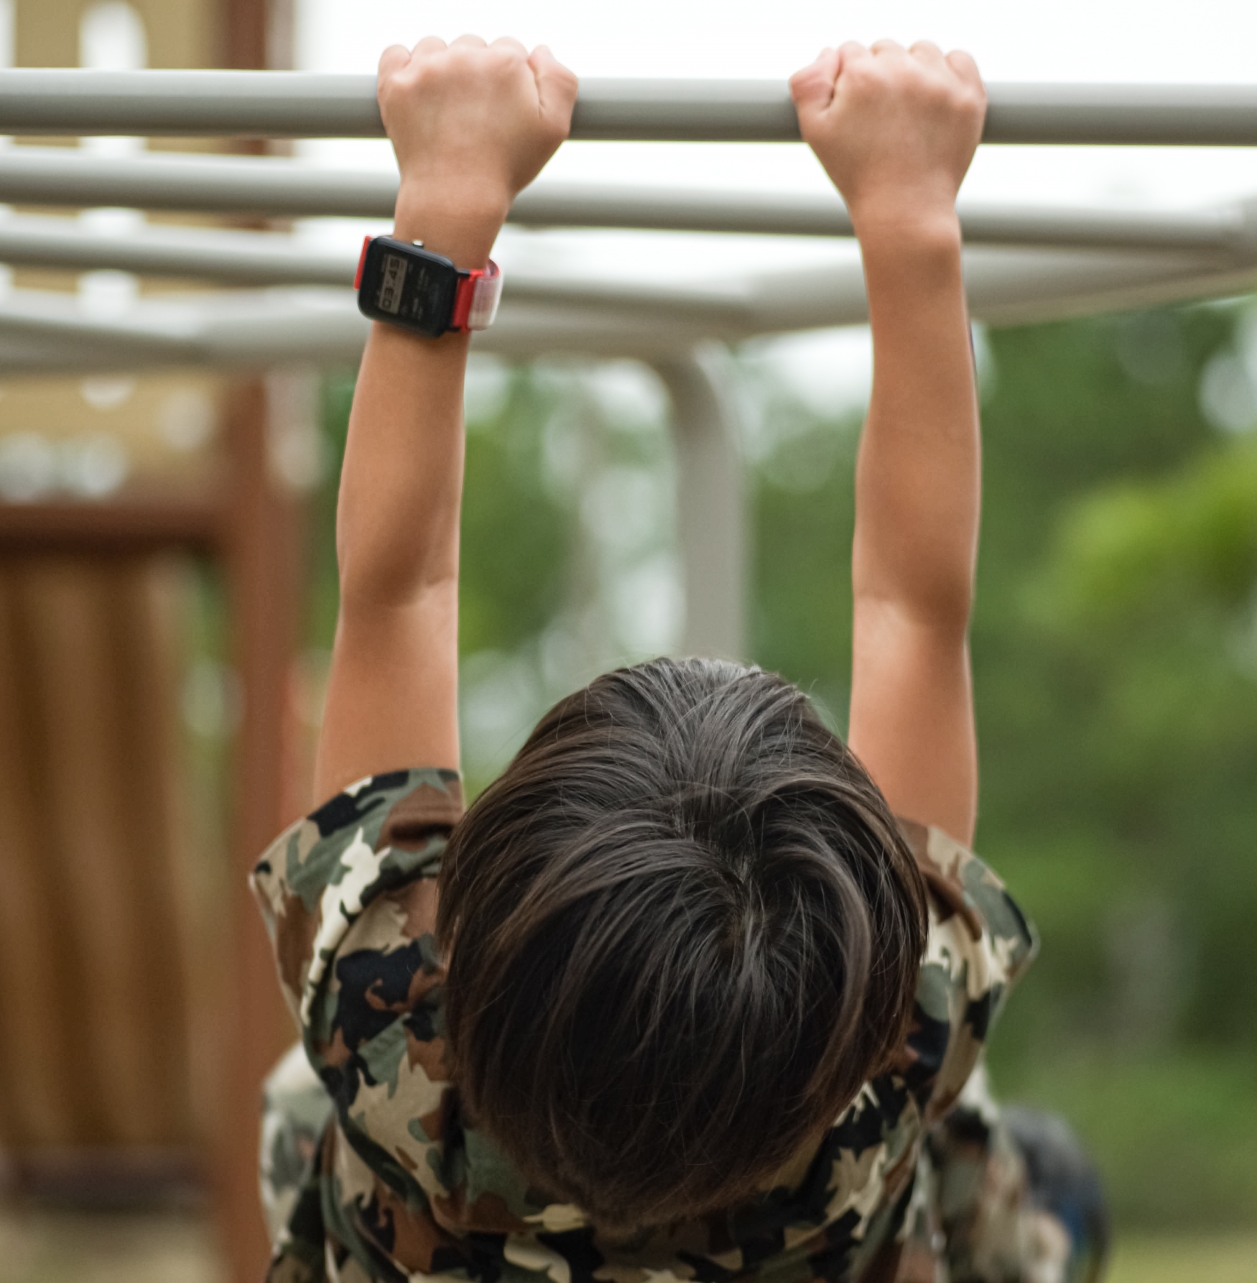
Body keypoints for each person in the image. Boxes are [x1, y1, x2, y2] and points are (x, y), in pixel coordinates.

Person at [250, 35, 1107, 1283]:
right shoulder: (882, 1076)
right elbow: (914, 613)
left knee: (295, 1107)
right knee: (1017, 1174)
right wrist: (912, 220)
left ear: (470, 928)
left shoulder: (388, 1050)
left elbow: (400, 592)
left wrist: (446, 200)